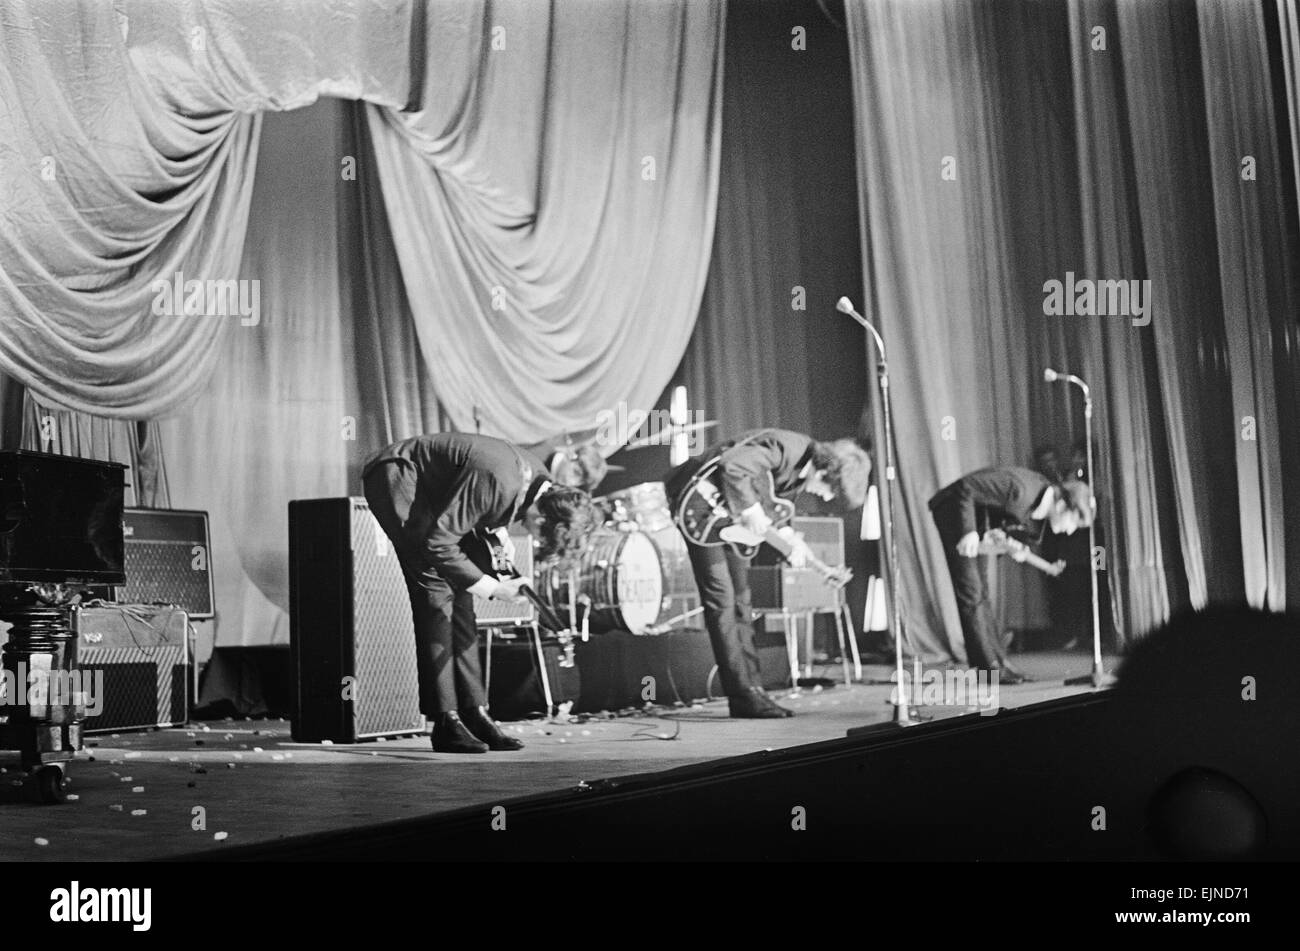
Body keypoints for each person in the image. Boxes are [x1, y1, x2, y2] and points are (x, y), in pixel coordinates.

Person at [362, 432, 599, 753]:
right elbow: (439, 543)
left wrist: (502, 555)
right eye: (543, 537)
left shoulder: (535, 480)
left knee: (461, 599)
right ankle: (445, 721)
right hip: (401, 474)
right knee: (435, 594)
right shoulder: (498, 479)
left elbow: (489, 510)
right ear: (542, 516)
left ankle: (475, 712)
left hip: (436, 489)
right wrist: (494, 587)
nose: (537, 541)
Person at [665, 429, 872, 718]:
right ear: (826, 471)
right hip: (698, 504)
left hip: (726, 519)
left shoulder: (801, 473)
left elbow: (775, 513)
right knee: (721, 601)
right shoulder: (786, 448)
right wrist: (750, 512)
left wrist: (807, 557)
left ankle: (753, 690)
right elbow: (733, 465)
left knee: (742, 602)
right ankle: (742, 695)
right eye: (830, 490)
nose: (824, 497)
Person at [928, 466, 1094, 683]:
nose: (1070, 530)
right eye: (1073, 521)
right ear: (1062, 505)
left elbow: (1006, 518)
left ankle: (999, 663)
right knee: (971, 592)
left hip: (979, 519)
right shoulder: (1020, 488)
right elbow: (965, 487)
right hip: (956, 508)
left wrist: (1009, 543)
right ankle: (989, 670)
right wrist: (968, 532)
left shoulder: (1039, 501)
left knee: (981, 593)